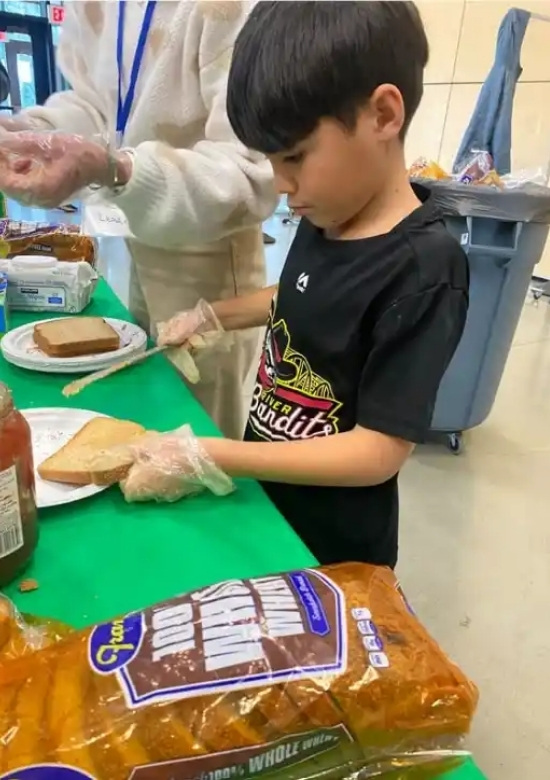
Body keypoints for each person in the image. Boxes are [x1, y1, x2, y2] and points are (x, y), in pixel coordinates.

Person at [104, 0, 470, 569]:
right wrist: (213, 315)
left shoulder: (425, 270)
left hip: (333, 549)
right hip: (270, 506)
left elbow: (377, 451)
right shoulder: (331, 214)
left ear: (382, 115)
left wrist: (214, 453)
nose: (280, 183)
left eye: (295, 156)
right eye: (271, 161)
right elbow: (308, 296)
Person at [0, 0, 276, 440]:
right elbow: (97, 104)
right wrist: (32, 136)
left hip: (209, 244)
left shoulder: (226, 10)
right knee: (146, 405)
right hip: (133, 232)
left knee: (199, 431)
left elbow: (254, 169)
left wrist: (118, 168)